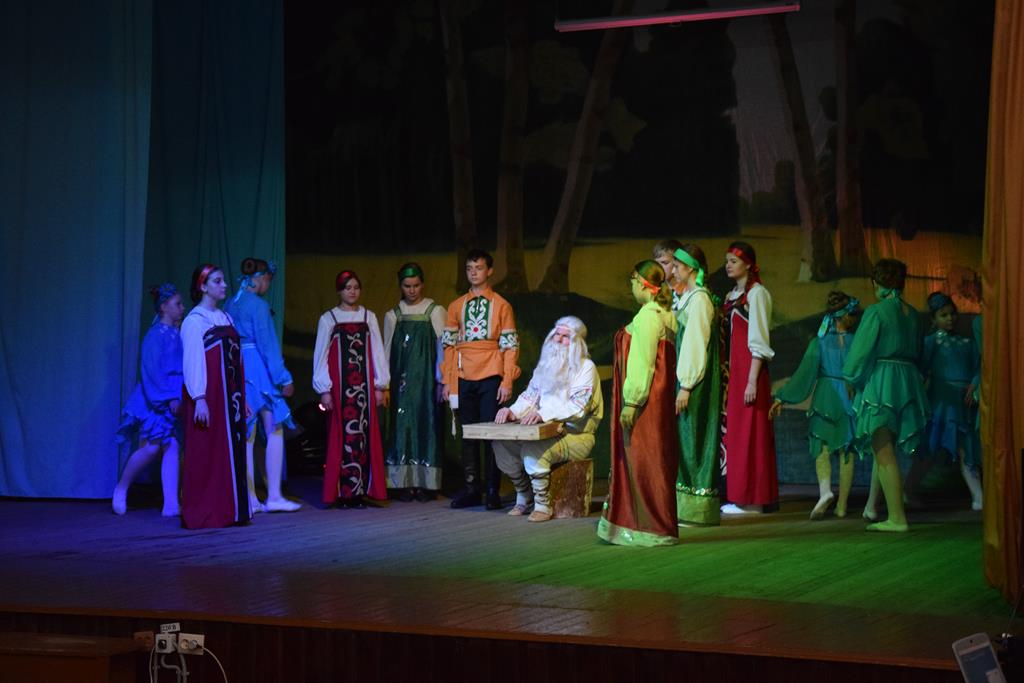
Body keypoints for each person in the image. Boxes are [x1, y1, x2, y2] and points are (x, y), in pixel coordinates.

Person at [842, 258, 929, 532]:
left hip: (884, 379)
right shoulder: (913, 314)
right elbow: (920, 351)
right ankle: (883, 510)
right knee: (886, 446)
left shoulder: (877, 312)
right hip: (907, 379)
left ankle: (897, 517)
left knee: (882, 447)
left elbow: (860, 352)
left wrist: (851, 378)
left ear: (876, 282)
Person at [597, 261, 680, 546]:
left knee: (644, 460)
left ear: (643, 285)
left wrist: (632, 401)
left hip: (646, 402)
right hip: (657, 400)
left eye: (632, 282)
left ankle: (650, 526)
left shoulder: (648, 316)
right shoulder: (665, 315)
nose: (631, 287)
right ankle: (649, 524)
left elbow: (642, 361)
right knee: (653, 459)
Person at [493, 316, 603, 522]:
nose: (558, 339)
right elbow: (530, 397)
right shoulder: (546, 366)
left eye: (565, 336)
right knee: (501, 443)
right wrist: (512, 412)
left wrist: (544, 414)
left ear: (577, 342)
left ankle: (543, 505)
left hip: (576, 435)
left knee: (533, 449)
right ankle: (524, 494)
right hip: (546, 432)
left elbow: (578, 407)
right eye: (556, 334)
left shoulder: (586, 367)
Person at [770, 291, 862, 519]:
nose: (854, 317)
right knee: (846, 450)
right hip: (847, 396)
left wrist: (783, 396)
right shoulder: (856, 341)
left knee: (822, 447)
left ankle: (825, 491)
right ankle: (841, 505)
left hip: (826, 397)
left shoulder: (820, 342)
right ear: (842, 316)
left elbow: (804, 374)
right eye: (851, 314)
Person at [441, 249, 521, 510]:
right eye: (469, 268)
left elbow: (510, 346)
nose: (473, 273)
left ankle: (492, 490)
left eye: (478, 268)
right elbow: (449, 347)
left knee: (491, 433)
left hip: (491, 375)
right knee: (468, 433)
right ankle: (472, 489)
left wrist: (507, 380)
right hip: (464, 374)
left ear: (490, 271)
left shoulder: (502, 305)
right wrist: (448, 381)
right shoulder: (456, 306)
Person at [225, 257, 300, 514]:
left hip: (238, 366)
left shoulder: (231, 303)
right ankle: (274, 495)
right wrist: (283, 377)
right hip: (257, 365)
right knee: (274, 427)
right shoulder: (258, 305)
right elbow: (267, 344)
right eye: (268, 280)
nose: (268, 286)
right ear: (260, 279)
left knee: (246, 432)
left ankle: (249, 497)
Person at [180, 264, 252, 529]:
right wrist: (199, 397)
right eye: (217, 281)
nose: (224, 285)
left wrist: (242, 396)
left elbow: (236, 360)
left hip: (229, 397)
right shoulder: (194, 321)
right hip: (209, 396)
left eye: (223, 281)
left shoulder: (226, 318)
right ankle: (205, 510)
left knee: (229, 451)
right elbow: (193, 361)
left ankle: (229, 509)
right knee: (207, 451)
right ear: (203, 286)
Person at [313, 270, 389, 508]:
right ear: (339, 291)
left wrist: (380, 385)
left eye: (356, 287)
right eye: (348, 288)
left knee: (364, 437)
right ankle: (342, 492)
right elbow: (321, 354)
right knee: (341, 436)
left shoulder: (368, 317)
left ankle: (360, 490)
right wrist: (324, 389)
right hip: (340, 389)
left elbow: (377, 352)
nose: (352, 292)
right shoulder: (329, 319)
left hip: (364, 390)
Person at [903, 292, 982, 510]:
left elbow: (979, 366)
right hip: (941, 403)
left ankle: (979, 496)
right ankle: (907, 490)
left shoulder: (967, 343)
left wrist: (975, 383)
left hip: (963, 403)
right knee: (929, 449)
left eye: (952, 314)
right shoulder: (930, 343)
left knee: (966, 449)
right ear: (933, 318)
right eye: (943, 315)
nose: (949, 318)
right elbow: (921, 370)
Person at [113, 283, 185, 516]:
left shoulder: (178, 333)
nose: (182, 307)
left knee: (172, 445)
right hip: (157, 397)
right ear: (164, 307)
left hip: (174, 395)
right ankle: (121, 487)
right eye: (177, 304)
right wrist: (167, 399)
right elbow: (151, 371)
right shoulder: (155, 335)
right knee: (151, 449)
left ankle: (171, 504)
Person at [720, 242, 779, 514]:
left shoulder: (757, 294)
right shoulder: (733, 295)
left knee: (751, 433)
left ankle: (754, 500)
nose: (728, 265)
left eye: (733, 261)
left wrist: (752, 380)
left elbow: (759, 340)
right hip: (735, 372)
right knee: (738, 435)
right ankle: (740, 496)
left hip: (749, 372)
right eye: (727, 261)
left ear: (748, 264)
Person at [382, 262, 447, 501]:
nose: (412, 290)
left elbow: (443, 348)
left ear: (423, 284)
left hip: (426, 382)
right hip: (401, 382)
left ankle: (426, 483)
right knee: (402, 427)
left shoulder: (435, 311)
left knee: (426, 426)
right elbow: (386, 352)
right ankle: (402, 482)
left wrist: (442, 380)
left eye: (416, 285)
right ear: (400, 286)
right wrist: (385, 384)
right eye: (407, 286)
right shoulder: (393, 315)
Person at [670, 245, 724, 526]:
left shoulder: (700, 299)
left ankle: (696, 509)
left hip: (696, 381)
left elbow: (694, 343)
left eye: (677, 265)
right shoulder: (689, 297)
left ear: (690, 268)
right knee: (686, 438)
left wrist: (686, 385)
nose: (673, 270)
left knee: (695, 438)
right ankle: (686, 508)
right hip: (688, 379)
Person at [652, 238, 686, 308]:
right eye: (656, 263)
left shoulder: (688, 291)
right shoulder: (656, 292)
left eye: (665, 263)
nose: (659, 267)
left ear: (677, 262)